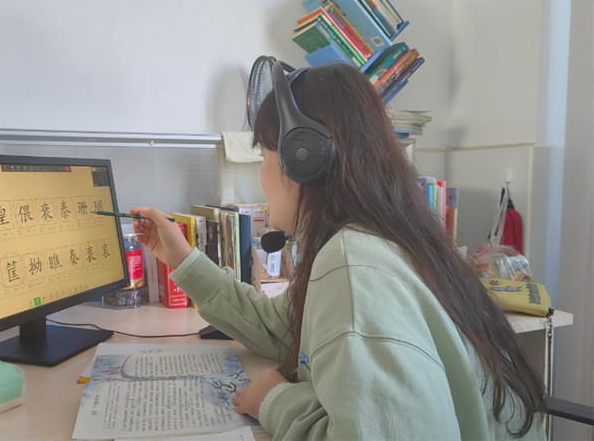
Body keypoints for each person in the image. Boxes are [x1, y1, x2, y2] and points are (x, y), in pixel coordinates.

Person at [131, 62, 546, 440]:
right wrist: (181, 258)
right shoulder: (377, 237)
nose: (261, 172)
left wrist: (277, 401)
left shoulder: (354, 264)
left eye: (264, 154)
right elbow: (283, 331)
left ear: (302, 158)